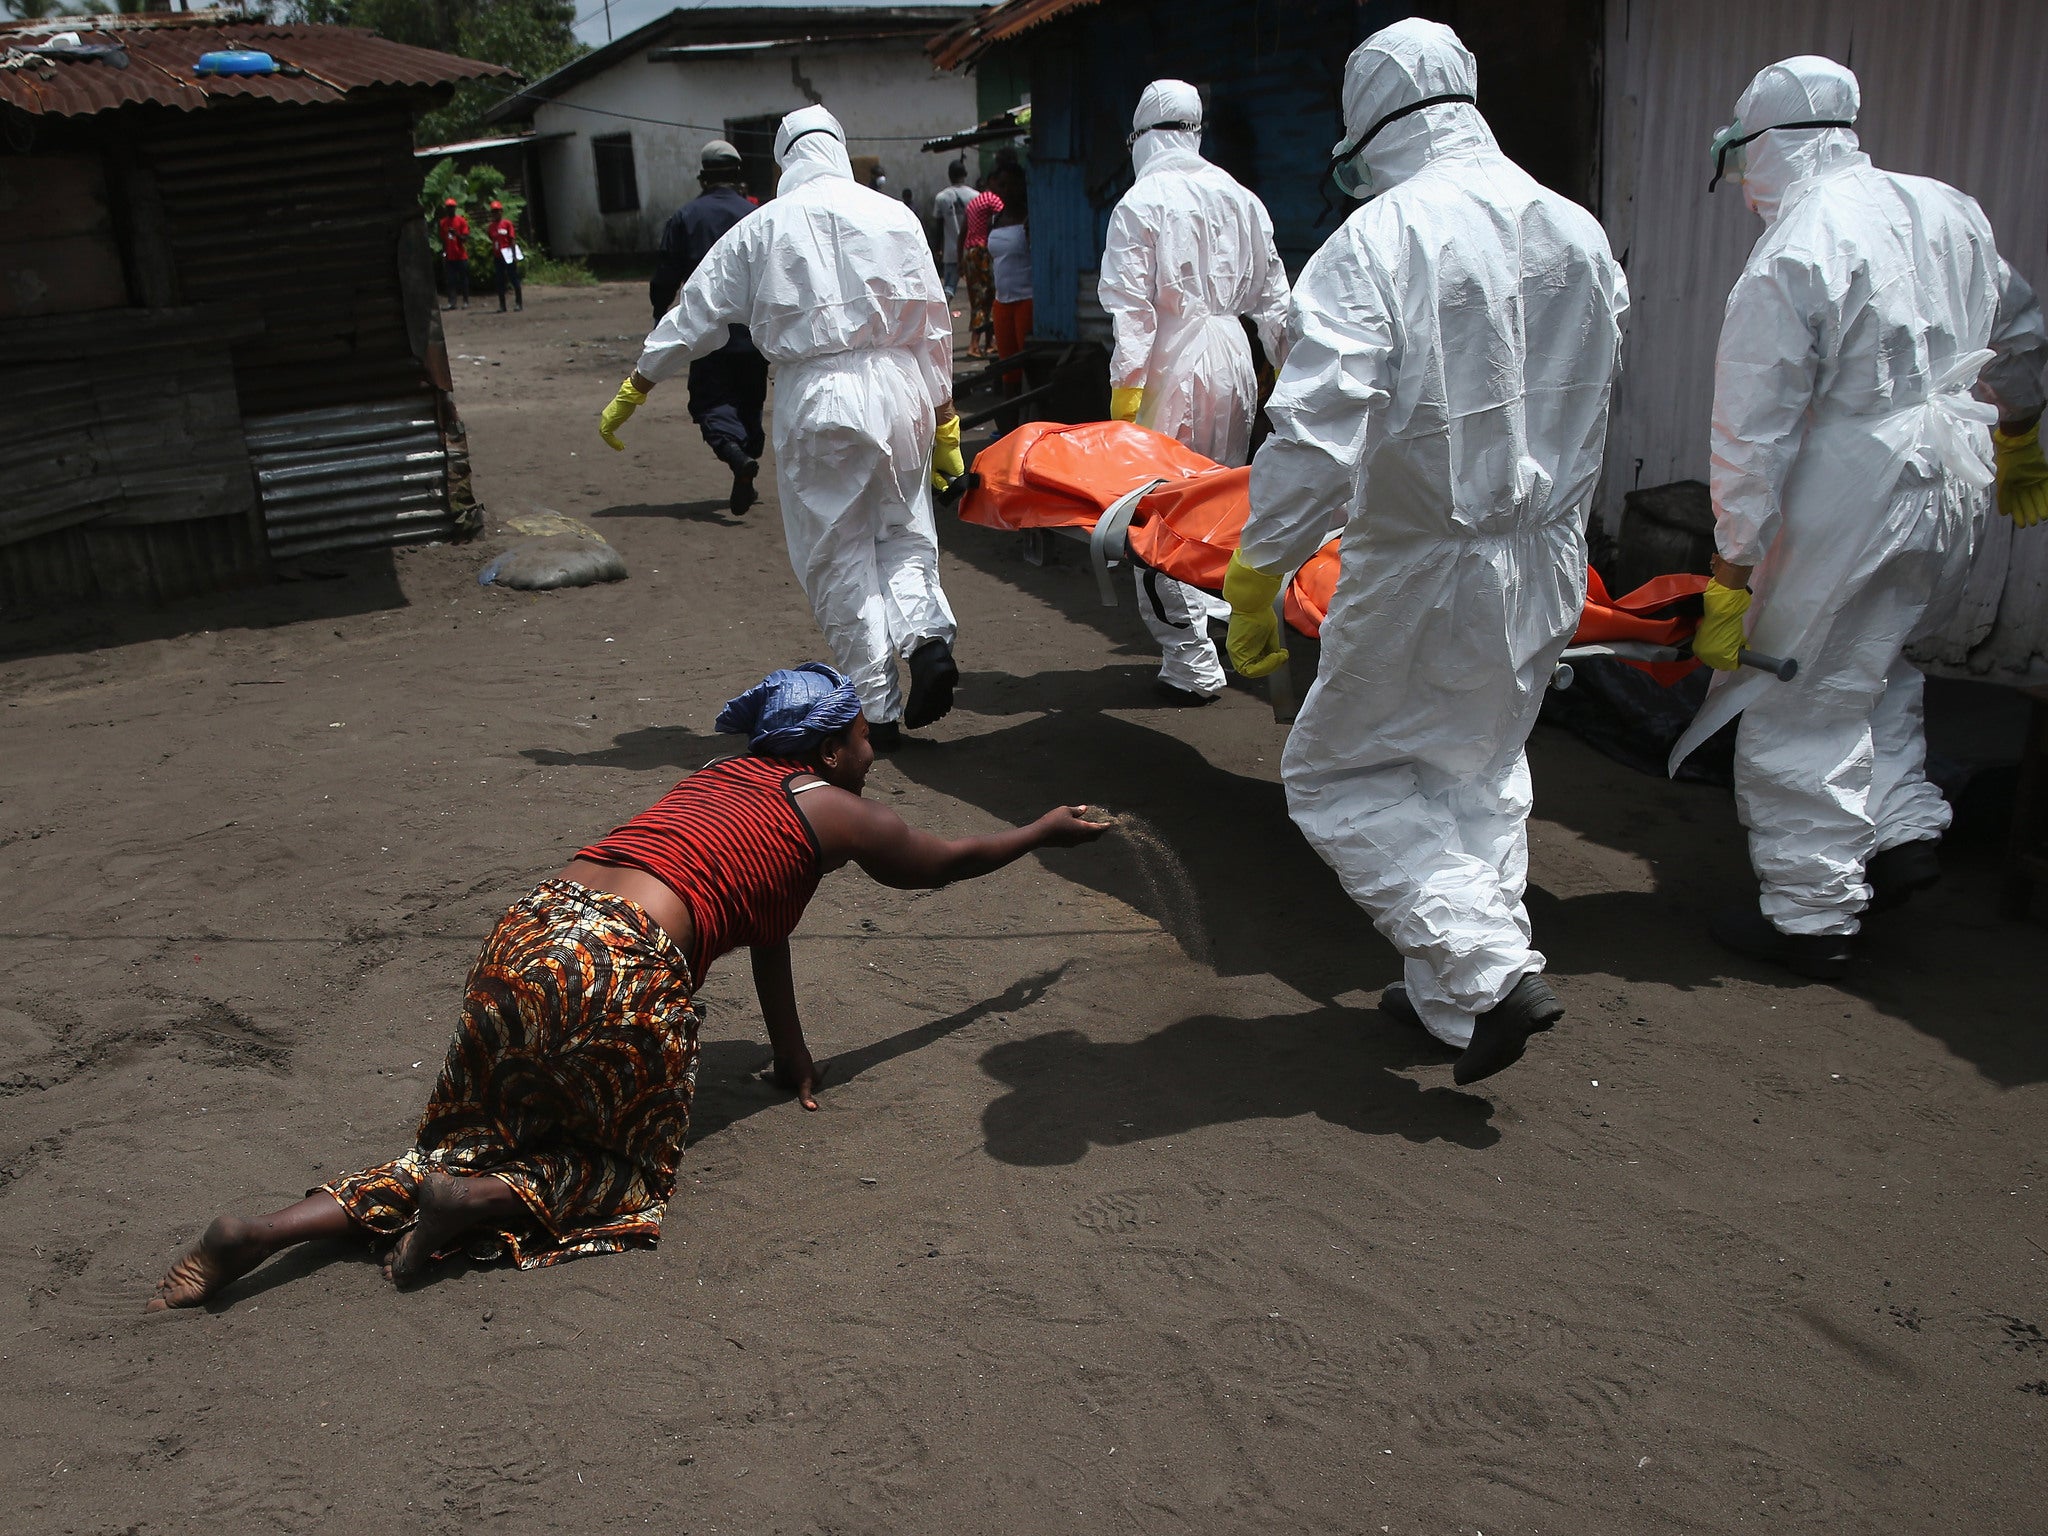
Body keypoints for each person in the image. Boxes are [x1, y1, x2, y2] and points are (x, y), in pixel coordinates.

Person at [147, 664, 1108, 1310]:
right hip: (621, 965)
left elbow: (763, 923)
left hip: (530, 931)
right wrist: (1037, 832)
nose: (872, 747)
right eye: (863, 733)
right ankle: (474, 1204)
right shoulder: (838, 811)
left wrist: (791, 1051)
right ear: (826, 750)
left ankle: (265, 1228)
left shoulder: (723, 776)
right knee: (620, 1174)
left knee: (465, 1131)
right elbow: (940, 865)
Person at [1227, 19, 1629, 1085]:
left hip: (1422, 558)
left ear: (1364, 125)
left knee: (1336, 773)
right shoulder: (1576, 231)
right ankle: (1456, 1009)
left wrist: (1260, 567)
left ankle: (1488, 970)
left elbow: (1316, 436)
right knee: (1476, 767)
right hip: (1541, 552)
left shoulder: (1378, 239)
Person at [1673, 56, 2048, 978]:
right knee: (1874, 662)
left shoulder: (1802, 238)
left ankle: (1811, 915)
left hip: (1854, 489)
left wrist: (1732, 563)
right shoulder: (1943, 207)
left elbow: (1753, 426)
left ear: (1762, 145)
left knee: (1793, 692)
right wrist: (2023, 431)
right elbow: (2025, 332)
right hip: (1952, 472)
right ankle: (1906, 828)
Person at [598, 107, 967, 750]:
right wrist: (946, 422)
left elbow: (696, 311)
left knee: (838, 551)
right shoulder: (895, 216)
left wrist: (641, 380)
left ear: (783, 161)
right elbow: (932, 323)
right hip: (901, 387)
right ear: (840, 150)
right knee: (904, 530)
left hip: (819, 395)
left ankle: (877, 712)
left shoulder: (760, 227)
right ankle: (928, 640)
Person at [1100, 79, 1291, 706]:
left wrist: (1126, 393)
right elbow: (1276, 302)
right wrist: (1286, 375)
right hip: (1232, 356)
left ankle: (1190, 660)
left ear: (1141, 137)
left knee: (1156, 510)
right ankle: (1217, 631)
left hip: (1169, 363)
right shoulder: (1242, 198)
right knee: (1217, 497)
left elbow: (1133, 313)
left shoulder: (1140, 202)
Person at [649, 140, 769, 515]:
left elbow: (666, 275)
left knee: (710, 403)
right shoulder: (758, 216)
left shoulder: (685, 217)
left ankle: (736, 458)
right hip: (756, 334)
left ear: (703, 176)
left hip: (707, 335)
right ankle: (745, 461)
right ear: (738, 175)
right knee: (750, 405)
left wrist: (660, 314)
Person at [986, 160, 1032, 396]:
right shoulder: (995, 221)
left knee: (1027, 367)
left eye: (1010, 185)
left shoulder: (1029, 220)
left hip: (1026, 299)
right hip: (1001, 302)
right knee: (1008, 368)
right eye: (1001, 185)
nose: (1006, 191)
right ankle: (1010, 427)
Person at [959, 158, 1008, 360]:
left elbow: (963, 231)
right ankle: (974, 344)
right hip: (982, 252)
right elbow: (1004, 218)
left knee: (981, 298)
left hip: (970, 253)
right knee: (986, 297)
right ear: (992, 181)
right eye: (1001, 183)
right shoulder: (992, 200)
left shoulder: (973, 202)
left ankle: (988, 343)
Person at [932, 159, 973, 297]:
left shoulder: (942, 198)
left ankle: (944, 314)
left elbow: (938, 226)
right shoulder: (976, 196)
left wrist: (937, 249)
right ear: (965, 174)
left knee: (949, 286)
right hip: (972, 250)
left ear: (949, 175)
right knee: (975, 287)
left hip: (951, 251)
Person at [485, 199, 522, 313]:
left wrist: (514, 256)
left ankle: (518, 303)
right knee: (500, 281)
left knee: (513, 279)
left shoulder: (507, 224)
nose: (495, 214)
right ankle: (502, 305)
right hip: (498, 256)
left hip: (508, 255)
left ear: (501, 211)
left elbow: (512, 240)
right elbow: (491, 238)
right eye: (493, 211)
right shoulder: (491, 227)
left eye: (497, 211)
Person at [436, 196, 469, 311]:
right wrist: (444, 253)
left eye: (452, 207)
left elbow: (465, 238)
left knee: (463, 279)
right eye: (448, 207)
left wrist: (456, 234)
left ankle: (465, 301)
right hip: (450, 256)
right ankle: (452, 302)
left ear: (455, 208)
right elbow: (443, 239)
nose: (450, 209)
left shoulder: (461, 221)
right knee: (450, 281)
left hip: (460, 255)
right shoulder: (443, 222)